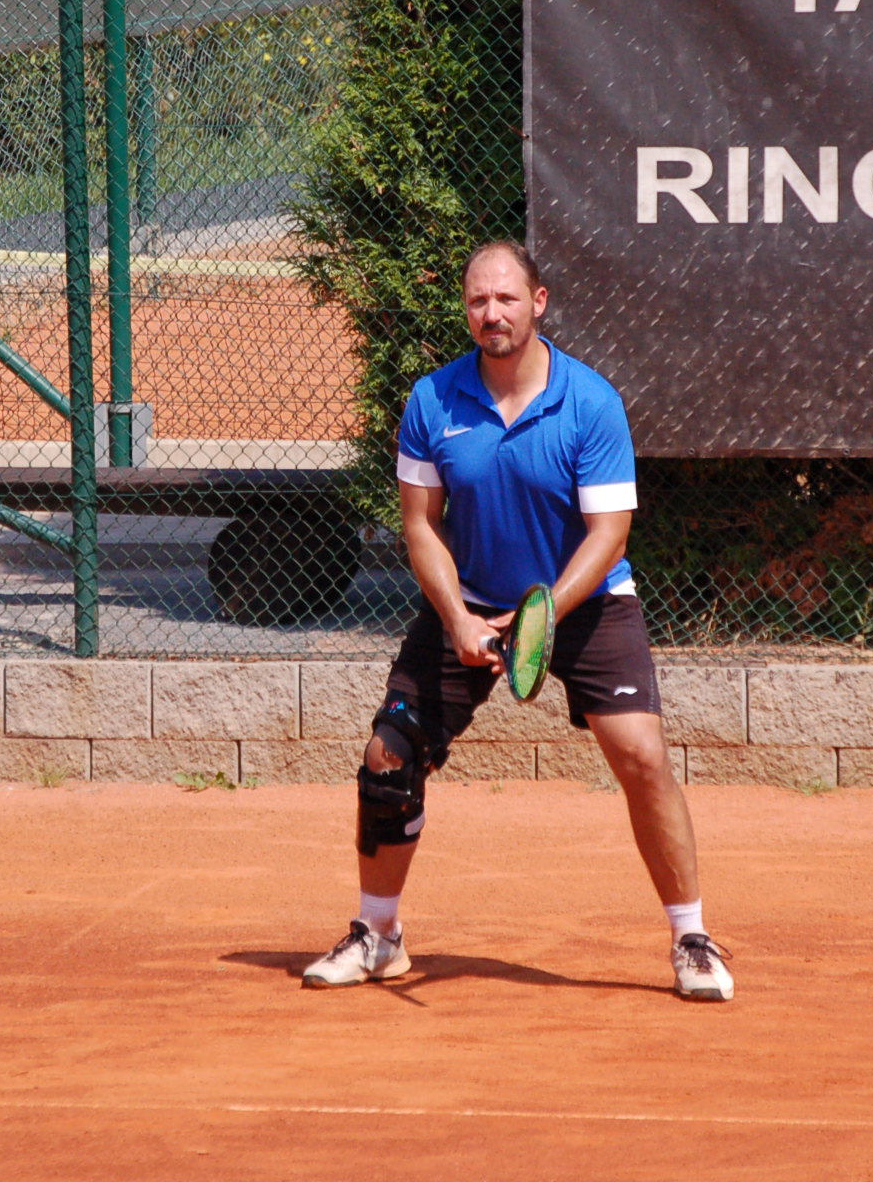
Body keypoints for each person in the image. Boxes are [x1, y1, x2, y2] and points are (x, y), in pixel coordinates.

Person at [300, 240, 733, 1002]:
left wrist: (540, 615)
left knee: (642, 756)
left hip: (586, 603)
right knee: (388, 757)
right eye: (477, 300)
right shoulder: (433, 401)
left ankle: (692, 938)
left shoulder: (590, 402)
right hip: (468, 600)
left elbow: (609, 536)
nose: (491, 313)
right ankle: (379, 935)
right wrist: (460, 619)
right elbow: (420, 526)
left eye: (505, 298)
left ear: (538, 303)